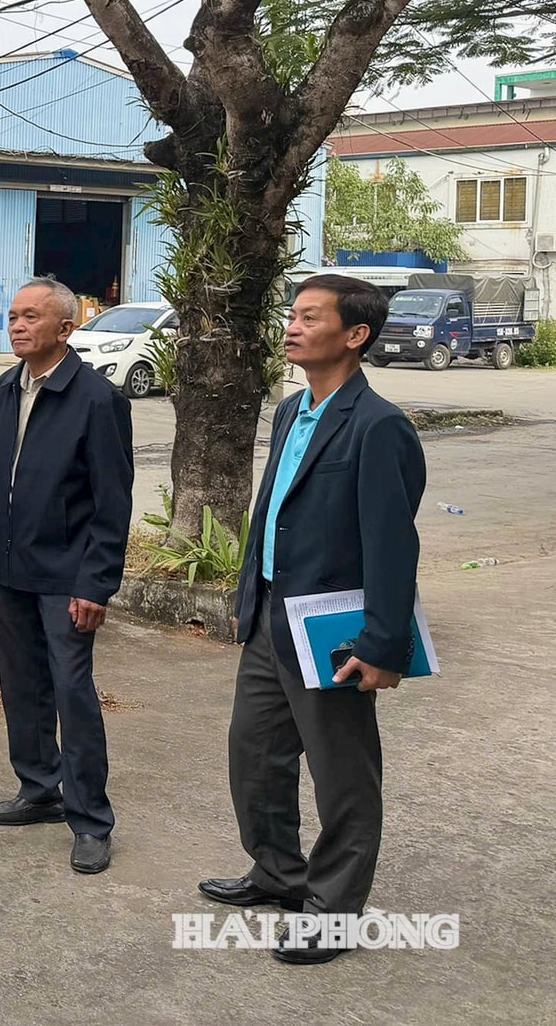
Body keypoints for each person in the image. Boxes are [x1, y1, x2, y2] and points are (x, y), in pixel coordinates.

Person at [200, 275, 425, 966]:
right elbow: (276, 514)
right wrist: (248, 602)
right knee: (254, 757)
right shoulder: (291, 409)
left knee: (343, 776)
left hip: (333, 630)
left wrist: (383, 643)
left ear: (354, 335)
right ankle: (278, 874)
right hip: (272, 615)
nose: (291, 327)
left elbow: (391, 542)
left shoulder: (379, 425)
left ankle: (333, 914)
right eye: (290, 315)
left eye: (309, 317)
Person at [0, 278, 132, 876]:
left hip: (67, 577)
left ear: (65, 328)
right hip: (10, 570)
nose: (16, 325)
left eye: (30, 316)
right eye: (12, 315)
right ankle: (38, 787)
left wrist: (96, 586)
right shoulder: (3, 389)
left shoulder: (96, 399)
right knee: (21, 685)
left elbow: (112, 504)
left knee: (72, 692)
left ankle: (90, 819)